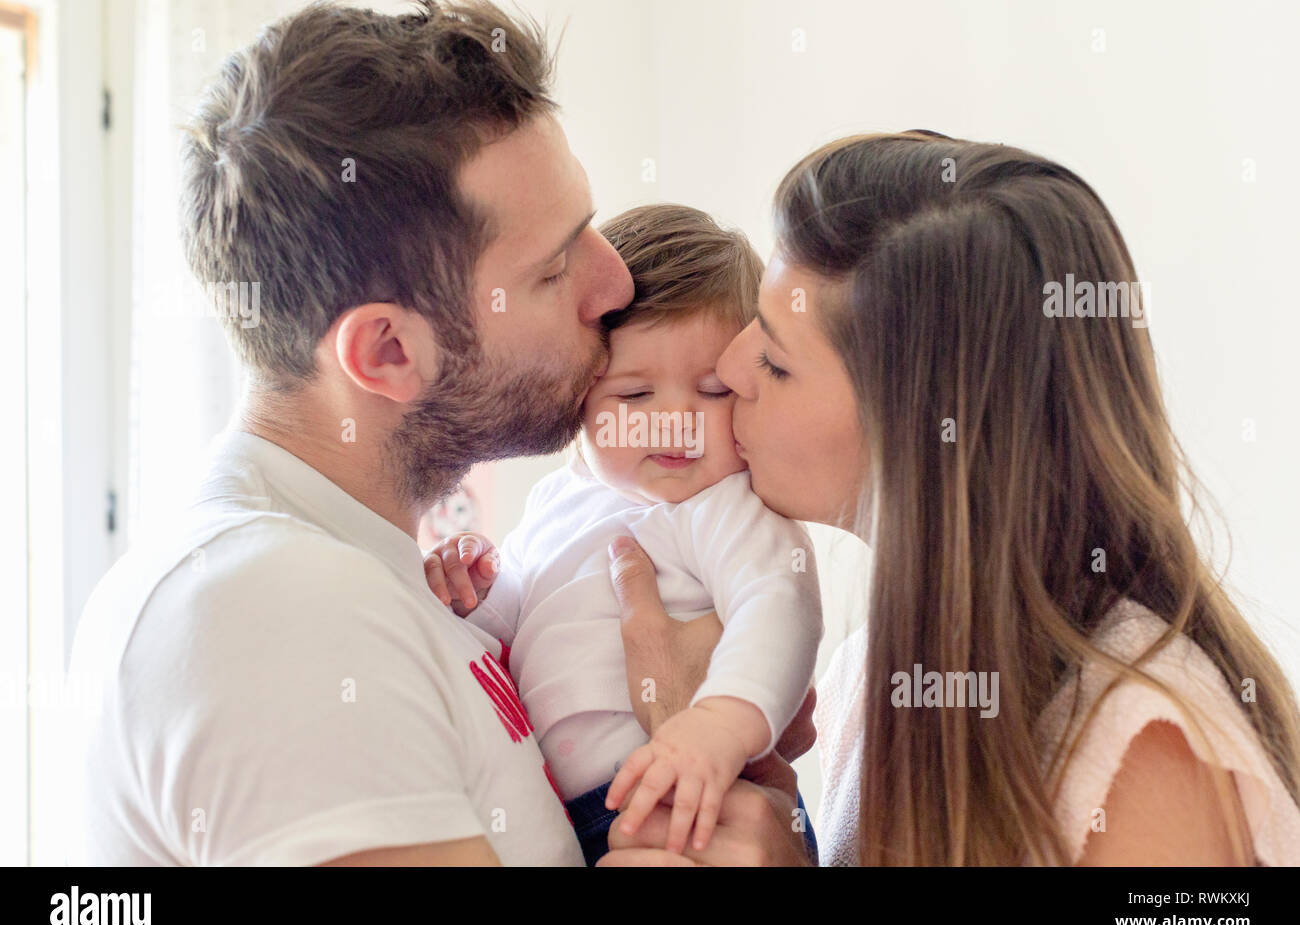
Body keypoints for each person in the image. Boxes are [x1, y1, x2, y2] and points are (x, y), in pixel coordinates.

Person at [597, 131, 1300, 866]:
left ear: (920, 431)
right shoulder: (871, 676)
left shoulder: (1143, 752)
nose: (731, 366)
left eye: (775, 360)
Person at [69, 0, 654, 866]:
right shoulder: (270, 608)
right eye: (554, 265)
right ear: (386, 352)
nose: (616, 282)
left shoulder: (388, 588)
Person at [425, 205, 823, 865]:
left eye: (713, 389)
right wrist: (470, 589)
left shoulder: (727, 507)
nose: (672, 421)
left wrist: (720, 725)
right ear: (579, 398)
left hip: (698, 787)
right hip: (566, 808)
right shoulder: (562, 499)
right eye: (634, 396)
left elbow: (780, 605)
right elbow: (514, 621)